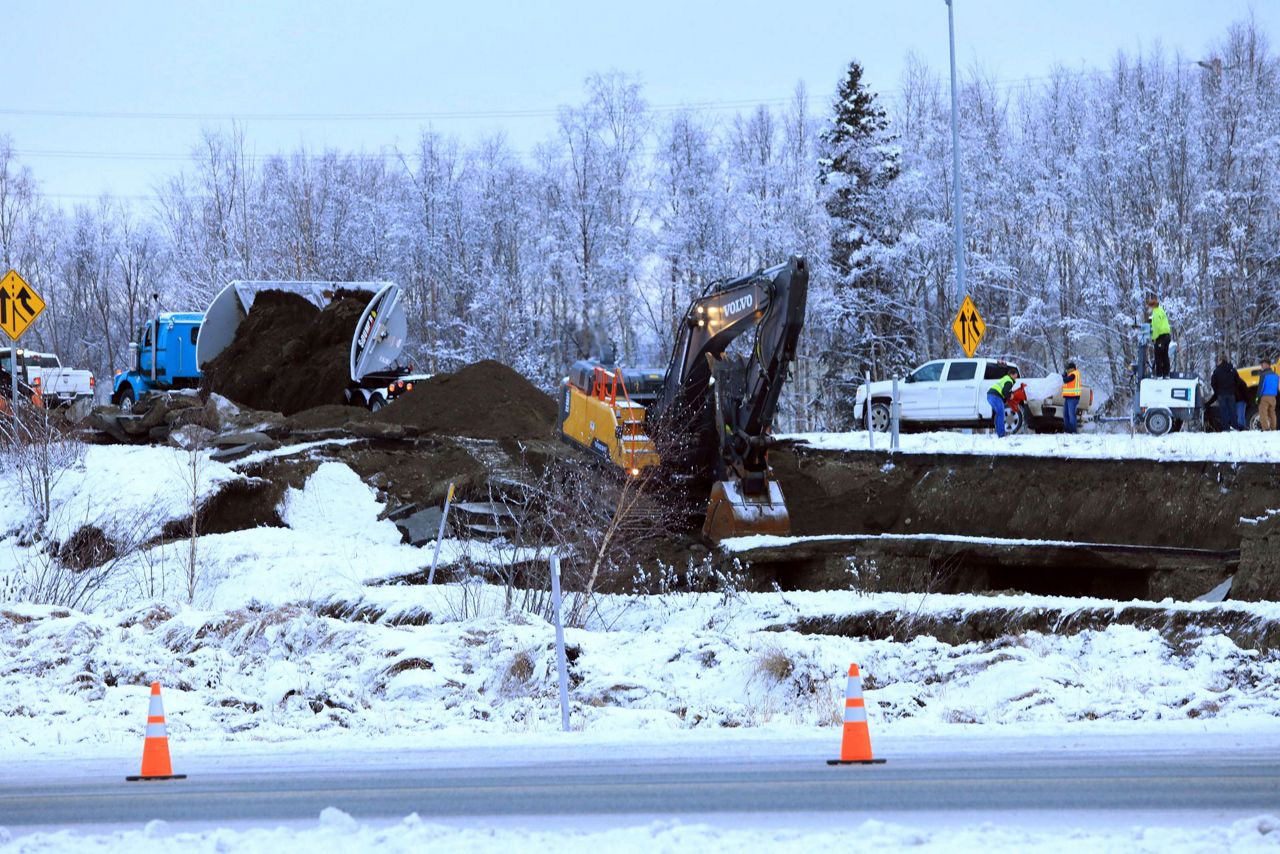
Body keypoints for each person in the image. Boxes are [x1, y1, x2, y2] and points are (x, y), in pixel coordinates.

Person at [987, 367, 1020, 438]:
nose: (1016, 377)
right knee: (1001, 414)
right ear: (1012, 374)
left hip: (990, 395)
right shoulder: (1009, 381)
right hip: (995, 396)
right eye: (1016, 375)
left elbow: (1004, 390)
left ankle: (999, 433)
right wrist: (1010, 396)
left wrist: (1009, 394)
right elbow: (1004, 392)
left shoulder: (1005, 378)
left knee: (999, 414)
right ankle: (1001, 434)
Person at [1211, 353, 1240, 431]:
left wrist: (1217, 391)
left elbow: (1213, 383)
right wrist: (1234, 389)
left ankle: (1226, 428)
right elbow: (1237, 381)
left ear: (1220, 360)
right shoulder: (1232, 370)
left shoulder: (1217, 371)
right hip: (1231, 394)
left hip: (1221, 394)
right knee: (1233, 411)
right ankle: (1235, 427)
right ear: (1226, 360)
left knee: (1224, 412)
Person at [1147, 296, 1172, 378]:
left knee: (1158, 356)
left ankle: (1159, 375)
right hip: (1167, 336)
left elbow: (1156, 327)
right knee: (1165, 355)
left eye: (1149, 307)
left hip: (1161, 337)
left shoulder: (1156, 313)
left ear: (1152, 306)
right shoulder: (1161, 310)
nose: (1149, 309)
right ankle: (1166, 374)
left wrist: (1153, 338)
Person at [1061, 361, 1083, 434]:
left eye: (1068, 369)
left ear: (1072, 368)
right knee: (1065, 414)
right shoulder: (1071, 374)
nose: (1067, 370)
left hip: (1073, 397)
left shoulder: (1074, 374)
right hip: (1068, 397)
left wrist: (1064, 376)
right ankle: (1068, 430)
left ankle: (1073, 430)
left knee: (1071, 414)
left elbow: (1066, 380)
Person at [1258, 360, 1279, 431]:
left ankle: (1265, 428)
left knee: (1263, 412)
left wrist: (1257, 397)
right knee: (1272, 412)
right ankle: (1273, 428)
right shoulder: (1276, 375)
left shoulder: (1263, 375)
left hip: (1265, 396)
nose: (1261, 366)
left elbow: (1261, 387)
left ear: (1267, 365)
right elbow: (1278, 387)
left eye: (1262, 364)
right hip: (1273, 396)